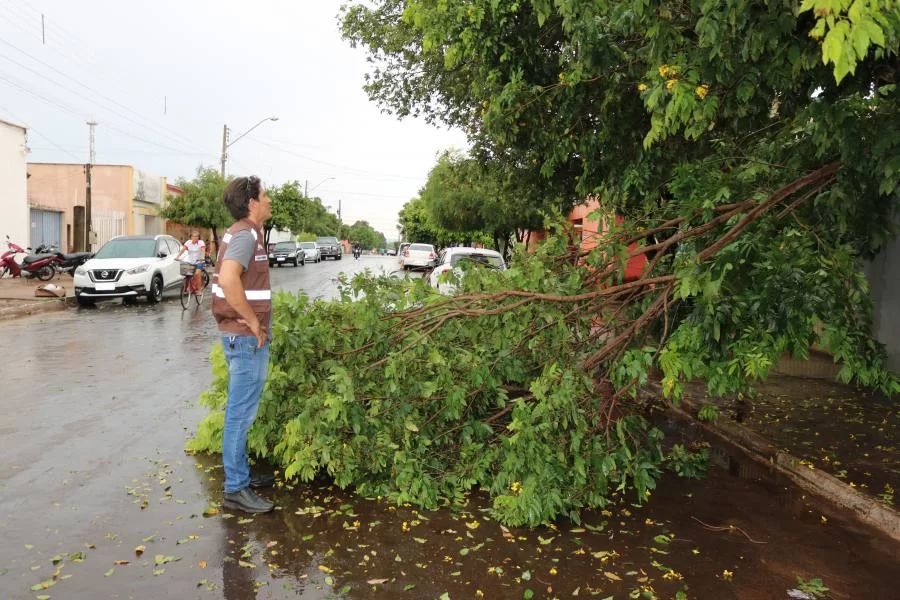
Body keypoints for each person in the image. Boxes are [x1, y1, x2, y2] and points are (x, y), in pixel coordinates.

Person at [210, 175, 276, 514]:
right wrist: (252, 321)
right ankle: (235, 489)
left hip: (245, 338)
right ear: (251, 202)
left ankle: (242, 476)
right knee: (239, 415)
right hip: (245, 337)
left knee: (242, 413)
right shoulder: (245, 235)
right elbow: (227, 278)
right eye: (263, 195)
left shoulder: (248, 233)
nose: (267, 199)